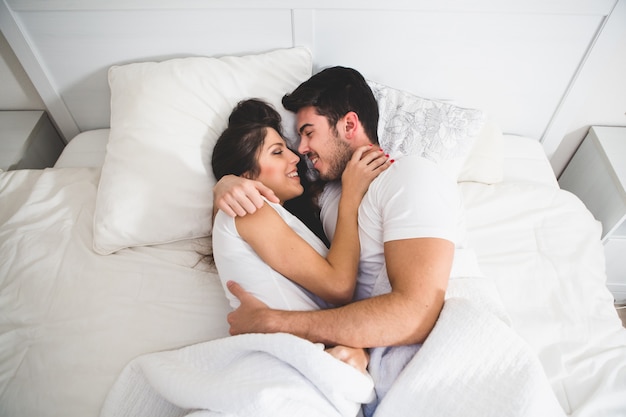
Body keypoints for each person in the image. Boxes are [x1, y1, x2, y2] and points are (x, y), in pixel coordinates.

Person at [214, 67, 481, 411]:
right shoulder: (326, 202)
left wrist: (275, 322)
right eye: (289, 145)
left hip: (440, 353)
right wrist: (226, 183)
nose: (301, 151)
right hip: (367, 369)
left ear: (349, 125)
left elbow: (415, 312)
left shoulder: (410, 175)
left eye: (308, 133)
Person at [210, 98, 391, 373]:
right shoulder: (250, 210)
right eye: (277, 152)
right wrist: (350, 196)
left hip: (304, 359)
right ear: (246, 175)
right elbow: (339, 286)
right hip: (280, 366)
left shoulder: (276, 218)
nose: (295, 157)